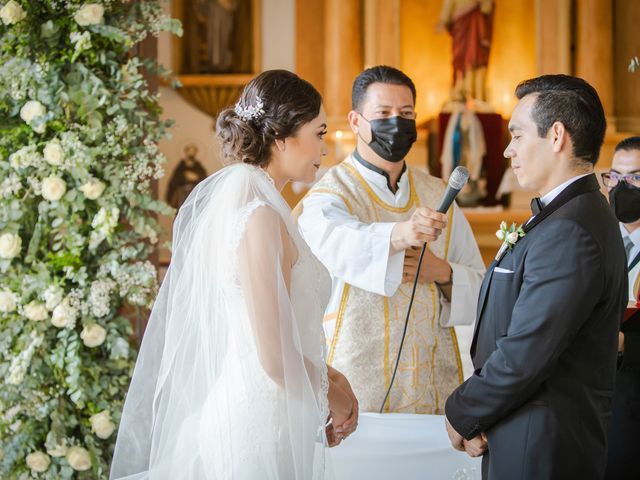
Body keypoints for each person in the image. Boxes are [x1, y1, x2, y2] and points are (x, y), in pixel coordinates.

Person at [110, 70, 358, 480]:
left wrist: (330, 379)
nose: (325, 147)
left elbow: (278, 329)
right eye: (319, 133)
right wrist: (333, 398)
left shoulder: (262, 206)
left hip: (278, 407)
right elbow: (274, 357)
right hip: (257, 421)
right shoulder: (258, 217)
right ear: (281, 137)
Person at [444, 74, 628, 479]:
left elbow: (527, 350)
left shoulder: (571, 230)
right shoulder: (566, 217)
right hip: (526, 432)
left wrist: (462, 411)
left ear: (557, 135)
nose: (508, 150)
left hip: (543, 447)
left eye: (517, 134)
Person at [296, 65, 485, 414]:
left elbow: (482, 284)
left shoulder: (438, 192)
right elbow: (340, 244)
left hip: (431, 379)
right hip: (354, 380)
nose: (396, 122)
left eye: (407, 113)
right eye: (383, 114)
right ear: (356, 121)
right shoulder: (330, 193)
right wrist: (401, 234)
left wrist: (443, 273)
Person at [604, 136, 640, 480]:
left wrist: (624, 345)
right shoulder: (597, 238)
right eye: (614, 176)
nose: (621, 187)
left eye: (635, 178)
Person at [436, 0, 494, 101]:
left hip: (477, 26)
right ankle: (460, 91)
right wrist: (443, 19)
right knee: (460, 59)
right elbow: (448, 5)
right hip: (460, 26)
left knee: (476, 59)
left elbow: (487, 7)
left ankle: (475, 94)